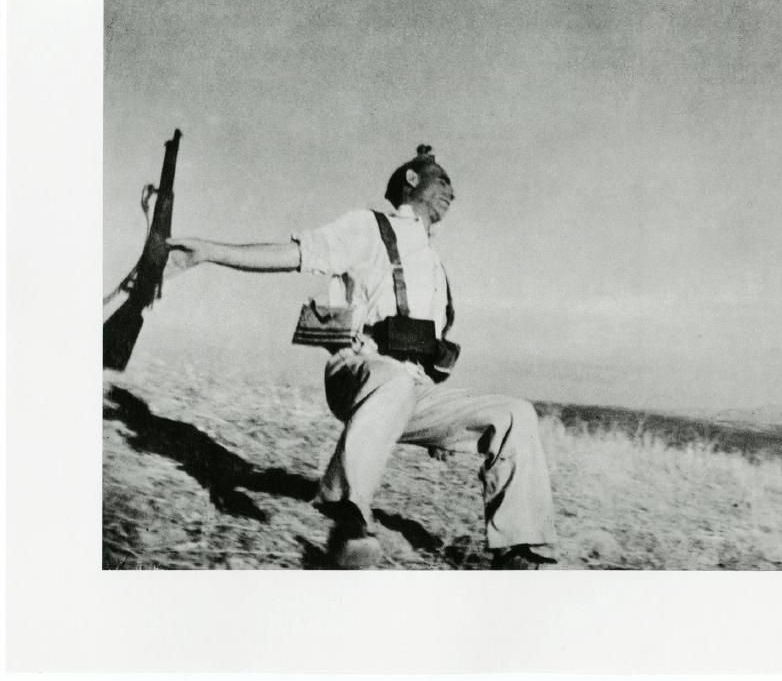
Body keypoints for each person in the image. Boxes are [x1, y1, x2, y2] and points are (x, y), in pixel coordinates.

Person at [167, 145, 558, 569]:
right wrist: (208, 251)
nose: (453, 193)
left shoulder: (435, 266)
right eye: (444, 181)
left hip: (409, 390)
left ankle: (519, 552)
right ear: (412, 179)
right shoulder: (369, 227)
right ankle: (347, 512)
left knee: (515, 413)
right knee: (392, 379)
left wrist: (445, 425)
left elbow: (428, 353)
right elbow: (294, 255)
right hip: (357, 371)